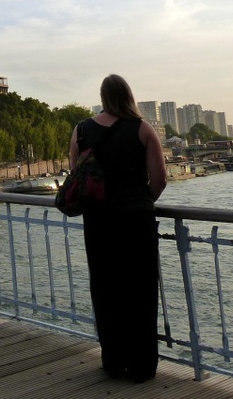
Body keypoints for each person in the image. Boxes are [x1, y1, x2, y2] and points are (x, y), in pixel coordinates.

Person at [69, 74, 167, 383]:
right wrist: (139, 201)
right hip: (135, 221)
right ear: (128, 96)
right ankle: (141, 366)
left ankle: (113, 360)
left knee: (105, 289)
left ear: (102, 96)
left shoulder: (81, 130)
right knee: (140, 291)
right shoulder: (142, 128)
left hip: (98, 221)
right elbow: (160, 178)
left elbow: (76, 174)